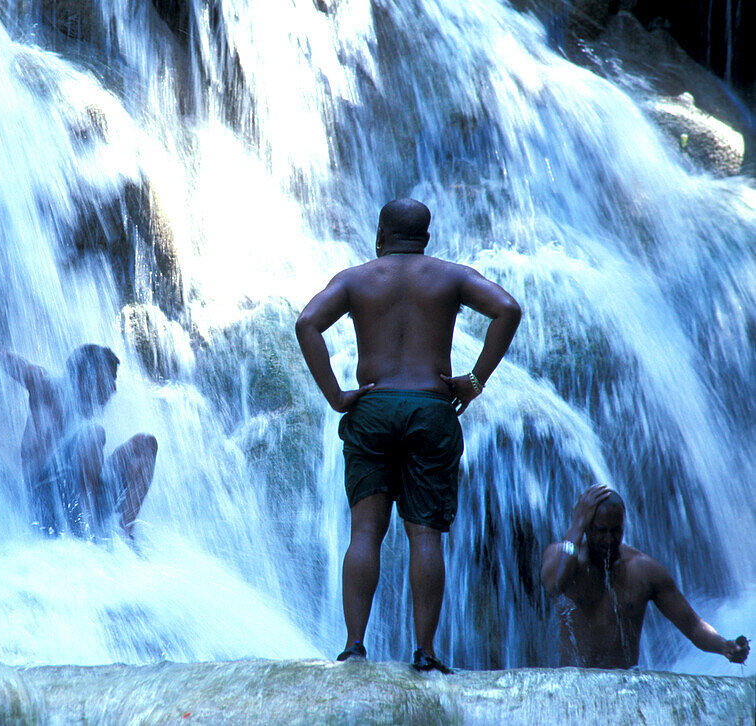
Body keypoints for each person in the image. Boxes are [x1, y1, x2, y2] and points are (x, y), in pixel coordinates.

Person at [295, 198, 521, 673]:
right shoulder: (450, 276)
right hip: (430, 408)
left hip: (373, 408)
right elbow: (507, 309)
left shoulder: (356, 278)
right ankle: (425, 652)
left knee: (365, 532)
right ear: (426, 239)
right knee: (424, 537)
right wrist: (474, 381)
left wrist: (337, 396)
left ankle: (354, 646)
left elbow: (307, 323)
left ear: (380, 236)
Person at [541, 485, 750, 669]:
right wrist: (576, 525)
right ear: (586, 528)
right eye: (600, 531)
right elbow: (554, 585)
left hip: (627, 685)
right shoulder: (561, 558)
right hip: (574, 687)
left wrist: (724, 646)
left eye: (616, 531)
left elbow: (693, 625)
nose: (608, 539)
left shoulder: (645, 571)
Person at [2, 344, 157, 540]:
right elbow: (4, 359)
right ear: (89, 374)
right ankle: (88, 533)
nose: (114, 389)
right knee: (93, 433)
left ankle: (126, 534)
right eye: (111, 379)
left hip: (79, 499)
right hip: (45, 502)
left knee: (146, 444)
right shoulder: (48, 386)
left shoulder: (84, 412)